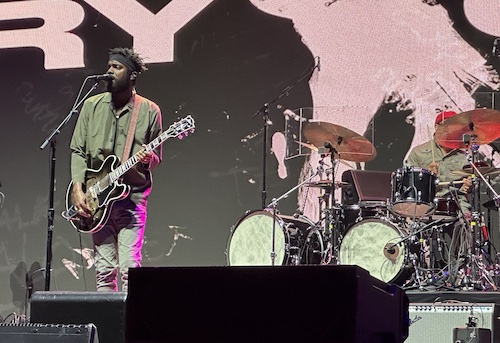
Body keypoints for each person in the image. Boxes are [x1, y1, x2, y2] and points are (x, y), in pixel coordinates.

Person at [70, 47, 162, 291]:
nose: (110, 70)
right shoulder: (91, 106)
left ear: (132, 75)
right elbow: (78, 151)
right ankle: (106, 328)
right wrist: (78, 189)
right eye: (109, 65)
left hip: (132, 199)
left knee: (130, 271)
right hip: (97, 199)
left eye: (117, 67)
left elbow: (155, 160)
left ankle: (131, 328)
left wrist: (146, 157)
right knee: (104, 271)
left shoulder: (149, 111)